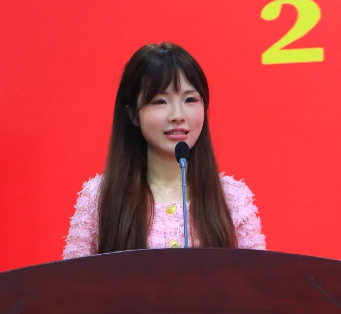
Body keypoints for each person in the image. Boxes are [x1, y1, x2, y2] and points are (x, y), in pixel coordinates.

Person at [62, 42, 266, 259]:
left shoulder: (233, 198)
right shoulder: (99, 197)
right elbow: (74, 279)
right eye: (160, 101)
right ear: (133, 114)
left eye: (190, 100)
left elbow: (259, 277)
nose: (177, 115)